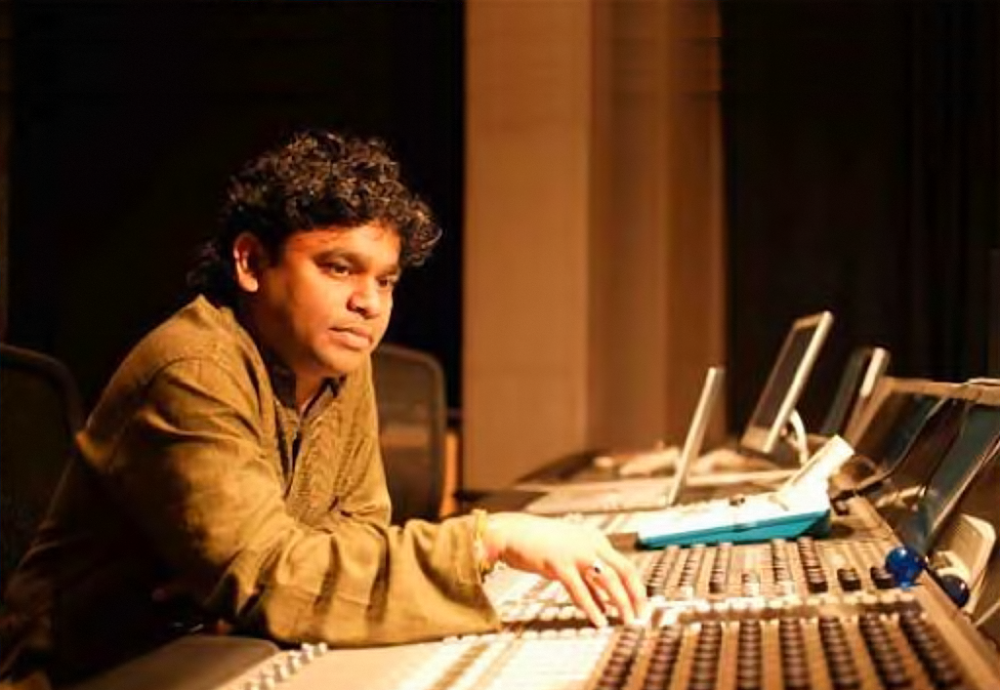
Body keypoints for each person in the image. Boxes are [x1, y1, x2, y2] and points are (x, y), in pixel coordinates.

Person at [0, 129, 647, 687]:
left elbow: (355, 536)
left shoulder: (340, 364)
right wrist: (488, 539)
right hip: (105, 676)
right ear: (251, 262)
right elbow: (275, 578)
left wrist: (259, 582)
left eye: (386, 280)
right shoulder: (192, 369)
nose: (369, 303)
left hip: (219, 654)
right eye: (339, 269)